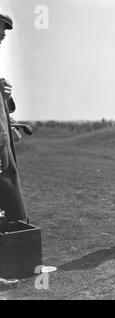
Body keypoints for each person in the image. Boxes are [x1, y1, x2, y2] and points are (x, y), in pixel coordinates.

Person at [0, 10, 24, 290]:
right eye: (1, 28)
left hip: (3, 144)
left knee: (8, 208)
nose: (4, 34)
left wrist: (7, 100)